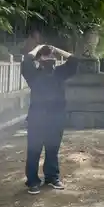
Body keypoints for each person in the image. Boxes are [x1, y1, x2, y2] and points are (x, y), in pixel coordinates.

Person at [21, 41, 78, 194]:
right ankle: (32, 181)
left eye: (51, 55)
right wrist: (38, 48)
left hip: (56, 118)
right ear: (39, 60)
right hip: (37, 119)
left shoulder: (60, 73)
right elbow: (27, 60)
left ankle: (52, 177)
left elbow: (74, 60)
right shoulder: (33, 74)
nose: (49, 58)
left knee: (53, 149)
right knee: (34, 150)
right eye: (45, 56)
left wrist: (56, 48)